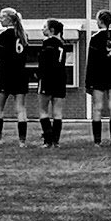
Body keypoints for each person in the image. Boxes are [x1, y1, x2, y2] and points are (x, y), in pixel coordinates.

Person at [85, 9, 111, 146]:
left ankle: (97, 141)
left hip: (98, 76)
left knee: (97, 107)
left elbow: (91, 62)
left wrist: (88, 82)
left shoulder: (95, 38)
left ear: (101, 21)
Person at [0, 7, 29, 146]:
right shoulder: (23, 35)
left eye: (2, 17)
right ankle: (22, 141)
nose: (0, 20)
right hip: (21, 75)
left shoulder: (3, 36)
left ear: (9, 19)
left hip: (6, 75)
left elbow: (1, 60)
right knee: (21, 108)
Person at [37, 19, 68, 147]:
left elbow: (43, 63)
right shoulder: (62, 44)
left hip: (47, 79)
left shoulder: (47, 43)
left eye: (45, 27)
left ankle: (48, 139)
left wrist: (39, 76)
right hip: (61, 80)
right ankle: (56, 141)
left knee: (43, 110)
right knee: (57, 112)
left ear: (52, 30)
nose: (42, 29)